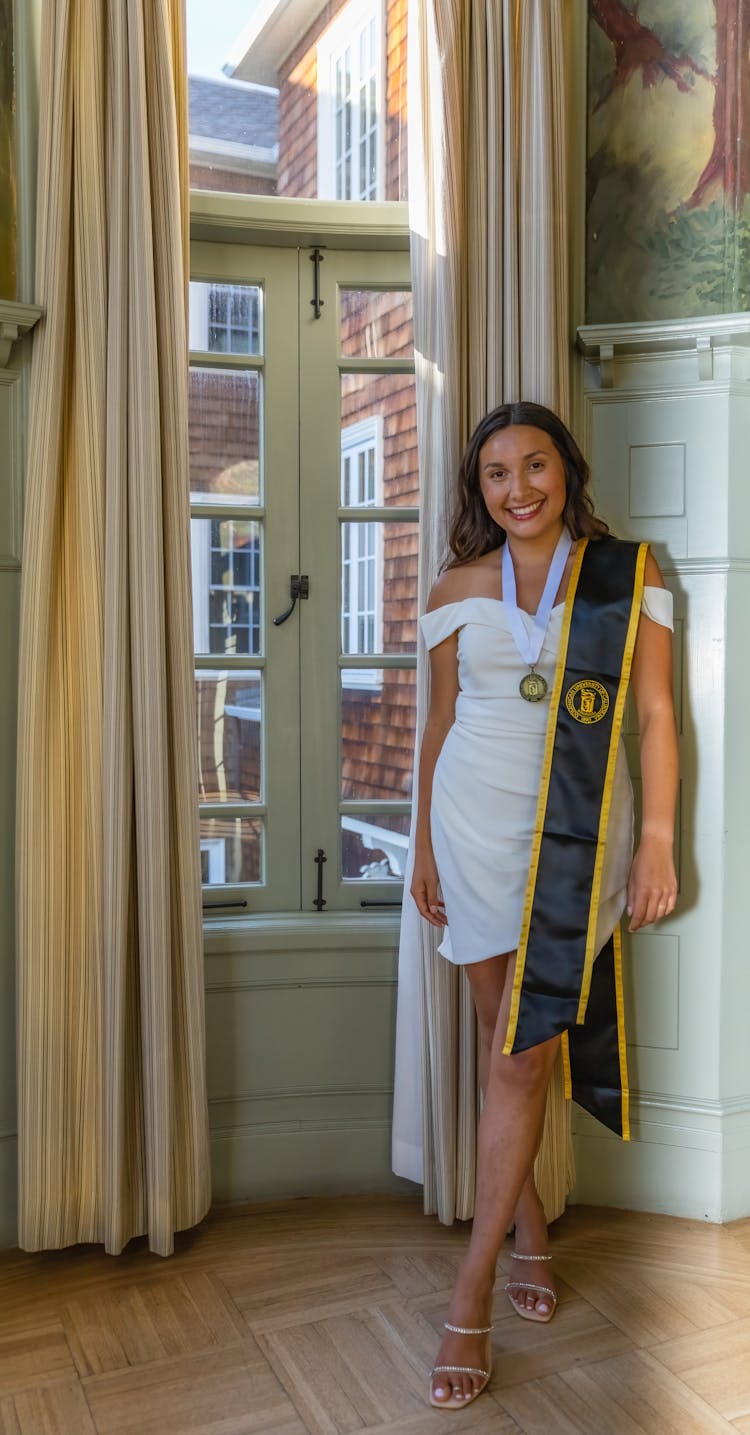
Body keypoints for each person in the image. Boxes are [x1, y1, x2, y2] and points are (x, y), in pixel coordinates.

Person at [410, 401, 678, 1410]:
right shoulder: (453, 589)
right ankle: (526, 1229)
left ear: (565, 470)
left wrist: (656, 840)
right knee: (501, 1040)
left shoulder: (625, 577)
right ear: (477, 492)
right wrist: (423, 847)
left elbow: (655, 714)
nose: (517, 488)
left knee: (523, 1053)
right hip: (471, 835)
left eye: (534, 465)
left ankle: (466, 1297)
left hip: (576, 844)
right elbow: (438, 726)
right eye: (495, 474)